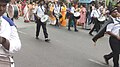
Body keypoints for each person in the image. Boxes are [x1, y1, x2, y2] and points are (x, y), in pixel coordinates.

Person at [0, 0, 21, 67]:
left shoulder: (9, 23)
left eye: (4, 6)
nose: (1, 9)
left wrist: (4, 41)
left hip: (4, 61)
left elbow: (17, 45)